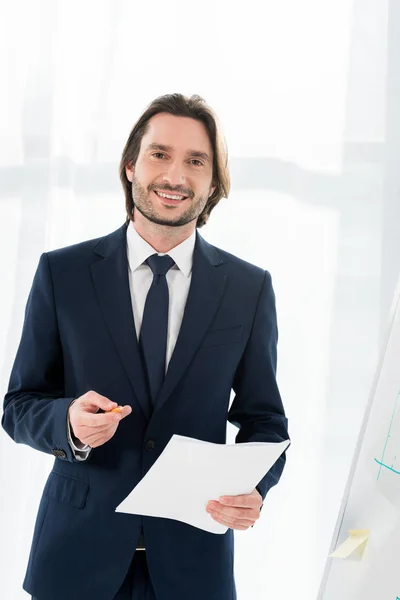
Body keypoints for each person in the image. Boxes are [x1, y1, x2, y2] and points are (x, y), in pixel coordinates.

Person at [2, 93, 289, 600]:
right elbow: (19, 406)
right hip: (74, 560)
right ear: (131, 166)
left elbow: (265, 422)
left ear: (214, 183)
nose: (175, 175)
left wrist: (256, 491)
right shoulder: (62, 274)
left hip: (194, 564)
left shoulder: (249, 289)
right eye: (160, 154)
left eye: (195, 161)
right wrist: (68, 421)